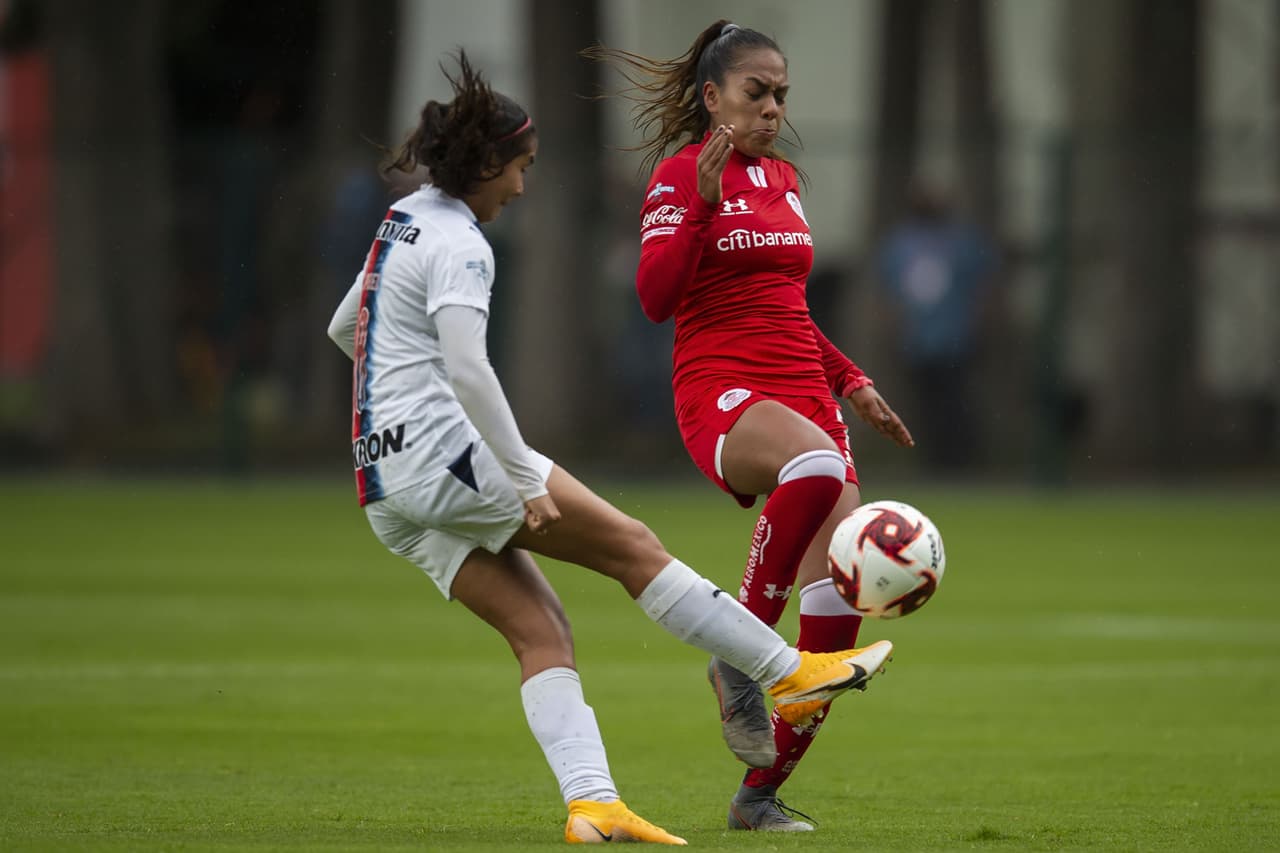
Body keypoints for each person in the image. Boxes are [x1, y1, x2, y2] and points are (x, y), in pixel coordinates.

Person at [325, 51, 893, 845]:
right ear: (484, 164)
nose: (521, 188)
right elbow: (466, 365)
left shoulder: (406, 217)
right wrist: (519, 472)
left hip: (385, 486)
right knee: (634, 548)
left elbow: (348, 326)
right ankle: (779, 667)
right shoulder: (464, 243)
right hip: (452, 461)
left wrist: (395, 401)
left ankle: (592, 802)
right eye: (518, 170)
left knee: (541, 630)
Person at [585, 21, 915, 832]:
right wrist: (698, 206)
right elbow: (656, 299)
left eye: (781, 95)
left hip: (807, 392)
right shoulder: (676, 179)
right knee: (814, 470)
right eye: (755, 93)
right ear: (712, 97)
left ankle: (758, 794)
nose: (772, 109)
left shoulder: (785, 178)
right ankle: (736, 658)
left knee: (840, 612)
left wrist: (851, 379)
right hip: (721, 393)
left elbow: (789, 308)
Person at [878, 179, 994, 471]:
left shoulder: (961, 241)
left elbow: (981, 287)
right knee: (926, 403)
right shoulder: (902, 243)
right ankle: (930, 460)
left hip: (956, 339)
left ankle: (960, 460)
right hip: (918, 342)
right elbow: (890, 294)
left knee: (955, 402)